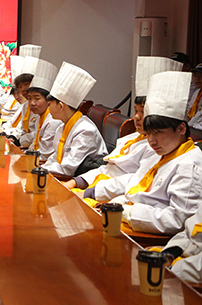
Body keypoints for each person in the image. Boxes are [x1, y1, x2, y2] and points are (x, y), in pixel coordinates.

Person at [85, 71, 202, 235]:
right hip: (126, 217)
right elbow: (133, 186)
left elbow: (177, 220)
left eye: (159, 133)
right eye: (149, 133)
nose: (152, 141)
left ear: (182, 129)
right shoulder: (163, 152)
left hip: (144, 233)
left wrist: (124, 212)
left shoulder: (190, 164)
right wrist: (110, 202)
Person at [67, 56, 181, 190]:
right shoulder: (132, 138)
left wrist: (90, 192)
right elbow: (107, 170)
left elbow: (134, 184)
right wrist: (76, 182)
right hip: (97, 188)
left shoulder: (156, 147)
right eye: (135, 111)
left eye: (143, 112)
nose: (136, 117)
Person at [44, 62, 107, 177]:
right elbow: (56, 156)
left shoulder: (85, 130)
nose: (48, 109)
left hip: (84, 180)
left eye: (49, 105)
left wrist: (42, 170)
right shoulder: (62, 127)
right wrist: (41, 168)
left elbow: (67, 168)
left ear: (61, 106)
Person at [25, 59, 62, 162]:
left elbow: (46, 154)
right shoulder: (39, 117)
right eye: (29, 98)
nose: (32, 103)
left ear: (48, 100)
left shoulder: (53, 120)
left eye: (37, 98)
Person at [5, 56, 40, 148]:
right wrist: (13, 137)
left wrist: (19, 141)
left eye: (26, 84)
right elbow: (22, 127)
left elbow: (37, 133)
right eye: (20, 87)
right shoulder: (25, 105)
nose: (23, 89)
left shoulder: (42, 107)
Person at [186, 63, 202, 130]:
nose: (197, 78)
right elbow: (189, 111)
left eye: (201, 75)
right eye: (195, 75)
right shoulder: (197, 92)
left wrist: (190, 125)